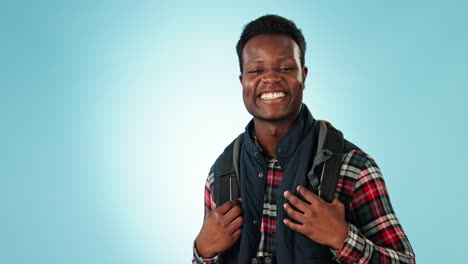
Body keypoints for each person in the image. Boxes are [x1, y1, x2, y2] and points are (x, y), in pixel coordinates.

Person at [192, 14, 415, 264]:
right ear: (242, 81)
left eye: (285, 68)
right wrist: (202, 252)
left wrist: (342, 238)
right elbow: (208, 253)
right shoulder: (223, 173)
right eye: (256, 70)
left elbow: (404, 261)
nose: (270, 78)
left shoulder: (353, 168)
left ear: (304, 76)